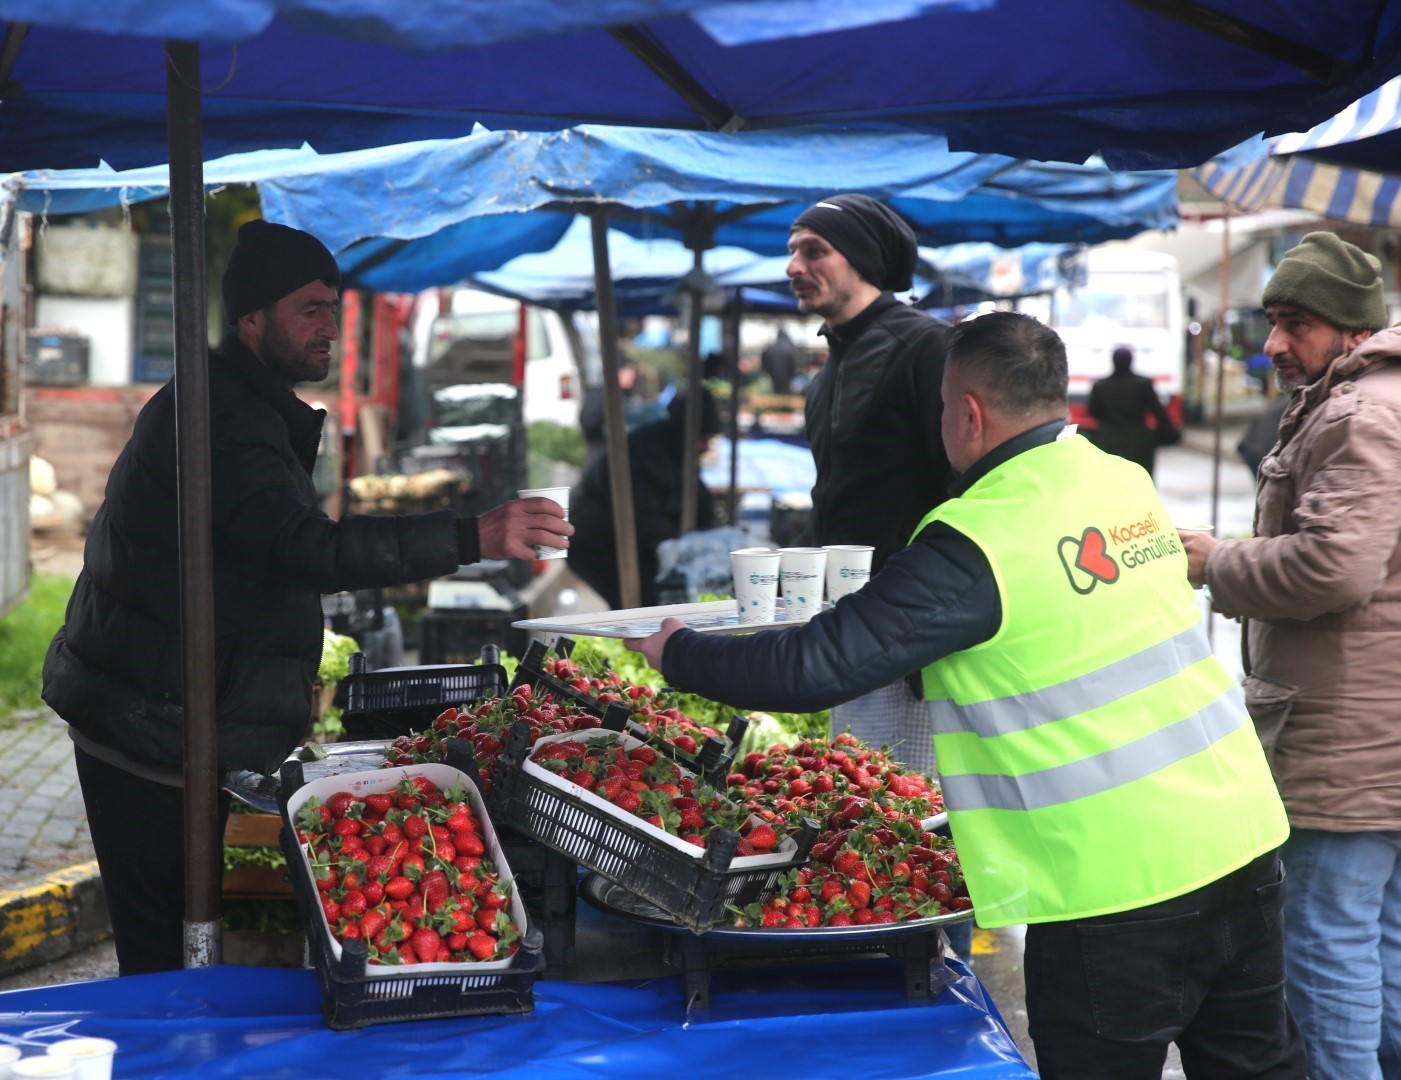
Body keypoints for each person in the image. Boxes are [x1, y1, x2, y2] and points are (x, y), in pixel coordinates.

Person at [628, 311, 1303, 1078]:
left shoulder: (977, 538)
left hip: (1113, 886)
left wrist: (676, 651)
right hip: (1238, 838)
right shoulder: (1121, 480)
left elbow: (816, 665)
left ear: (969, 413)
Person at [40, 220, 572, 976]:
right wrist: (469, 535)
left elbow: (263, 558)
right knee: (161, 959)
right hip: (148, 724)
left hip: (167, 715)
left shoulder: (242, 404)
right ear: (253, 319)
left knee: (174, 949)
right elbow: (304, 549)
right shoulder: (221, 419)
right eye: (311, 310)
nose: (331, 327)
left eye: (335, 309)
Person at [1180, 231, 1400, 1080]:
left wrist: (1214, 562)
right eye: (1269, 321)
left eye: (1293, 324)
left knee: (1326, 940)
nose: (1272, 345)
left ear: (1349, 331)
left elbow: (1332, 567)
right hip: (1373, 732)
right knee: (1378, 941)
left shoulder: (1359, 414)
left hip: (1347, 737)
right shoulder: (1368, 400)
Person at [786, 193, 952, 779]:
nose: (793, 268)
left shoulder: (925, 348)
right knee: (870, 803)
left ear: (861, 259)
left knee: (916, 812)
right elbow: (840, 496)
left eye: (814, 251)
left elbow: (964, 491)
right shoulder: (830, 368)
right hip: (851, 629)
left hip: (914, 638)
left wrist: (928, 624)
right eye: (792, 252)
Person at [567, 389, 720, 609]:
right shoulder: (646, 453)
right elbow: (644, 520)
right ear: (687, 431)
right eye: (703, 438)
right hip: (598, 543)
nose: (706, 446)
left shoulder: (677, 451)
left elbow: (700, 501)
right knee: (642, 608)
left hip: (633, 544)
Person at [1087, 344, 1179, 477]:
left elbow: (1093, 412)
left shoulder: (1100, 385)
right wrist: (1170, 433)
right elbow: (1158, 412)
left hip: (1108, 440)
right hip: (1138, 442)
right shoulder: (1143, 384)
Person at [760, 327, 799, 394]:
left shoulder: (772, 348)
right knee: (785, 394)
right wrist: (792, 374)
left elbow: (765, 362)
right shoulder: (790, 347)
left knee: (776, 394)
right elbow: (793, 363)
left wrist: (769, 372)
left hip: (774, 376)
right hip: (787, 377)